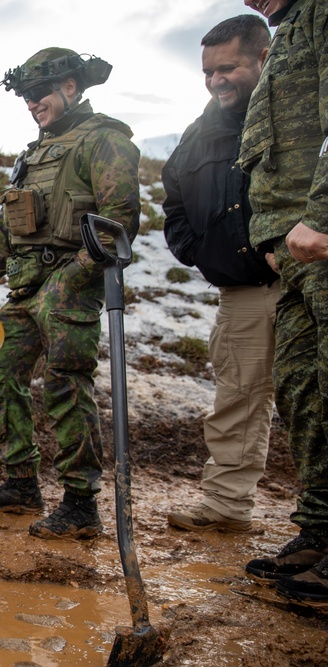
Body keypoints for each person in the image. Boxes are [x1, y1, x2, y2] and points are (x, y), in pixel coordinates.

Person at [0, 48, 141, 540]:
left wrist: (73, 276)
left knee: (66, 386)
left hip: (72, 282)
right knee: (0, 375)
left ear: (70, 87)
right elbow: (7, 221)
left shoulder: (104, 139)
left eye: (38, 94)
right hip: (26, 285)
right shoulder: (34, 153)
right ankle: (21, 482)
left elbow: (119, 221)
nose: (31, 104)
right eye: (24, 97)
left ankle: (81, 505)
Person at [162, 15, 278, 534]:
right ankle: (227, 505)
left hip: (310, 278)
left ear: (264, 57)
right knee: (238, 398)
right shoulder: (199, 133)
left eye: (227, 68)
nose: (216, 81)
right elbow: (174, 197)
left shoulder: (300, 110)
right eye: (208, 72)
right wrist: (197, 251)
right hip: (243, 290)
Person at [237, 0, 328, 606]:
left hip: (318, 237)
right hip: (291, 247)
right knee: (302, 388)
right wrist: (272, 235)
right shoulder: (291, 26)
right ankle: (319, 534)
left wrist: (322, 215)